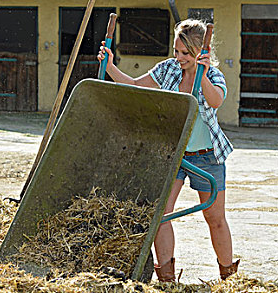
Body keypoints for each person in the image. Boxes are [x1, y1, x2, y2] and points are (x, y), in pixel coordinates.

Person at [97, 19, 239, 282]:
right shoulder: (169, 69)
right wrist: (109, 66)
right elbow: (136, 85)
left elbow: (216, 101)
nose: (179, 57)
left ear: (199, 52)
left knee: (215, 217)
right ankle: (167, 280)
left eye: (186, 53)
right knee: (160, 214)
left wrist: (203, 75)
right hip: (173, 154)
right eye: (176, 51)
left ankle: (228, 278)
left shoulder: (213, 75)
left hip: (207, 156)